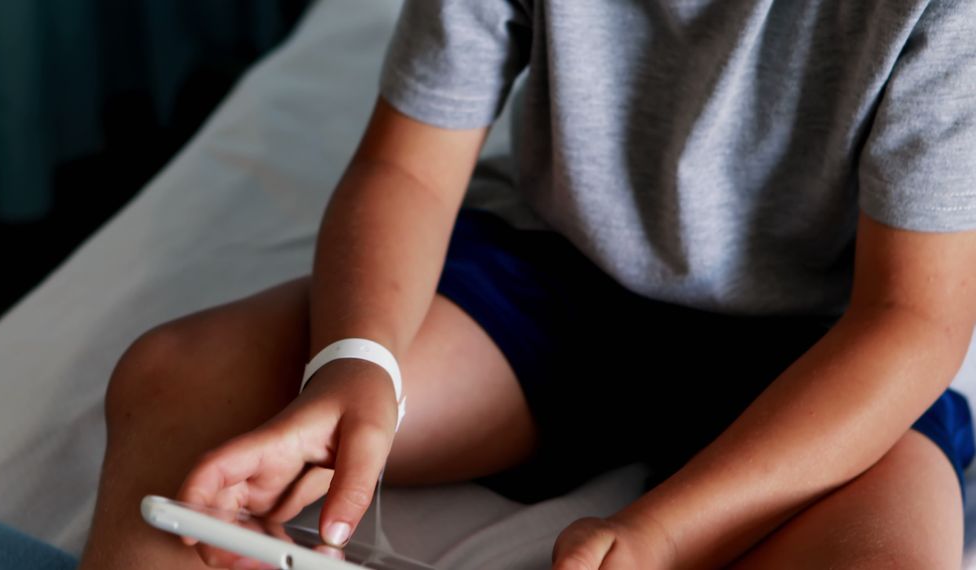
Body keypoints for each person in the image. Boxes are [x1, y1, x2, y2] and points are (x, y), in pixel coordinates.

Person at [78, 1, 976, 568]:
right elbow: (410, 169)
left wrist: (668, 534)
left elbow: (909, 320)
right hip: (561, 276)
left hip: (826, 351)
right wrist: (354, 365)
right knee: (182, 379)